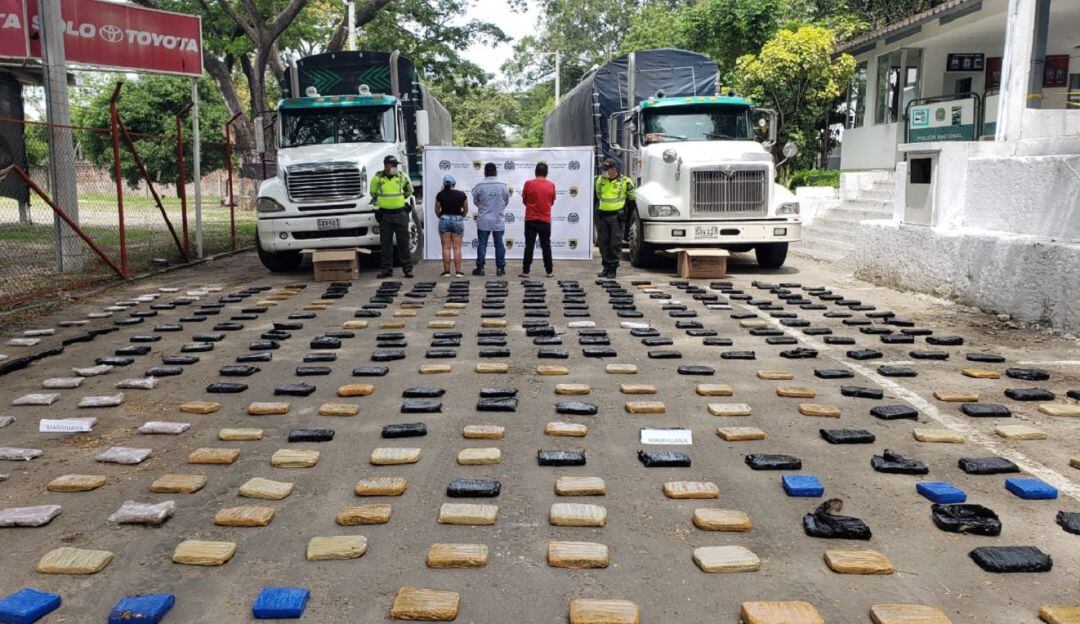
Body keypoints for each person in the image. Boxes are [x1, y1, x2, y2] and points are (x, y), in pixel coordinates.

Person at [370, 155, 414, 279]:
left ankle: (407, 269)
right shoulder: (377, 179)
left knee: (404, 243)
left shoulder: (401, 177)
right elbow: (373, 193)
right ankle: (387, 269)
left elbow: (408, 191)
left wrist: (397, 201)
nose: (395, 167)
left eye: (396, 165)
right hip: (385, 215)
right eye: (392, 165)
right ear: (386, 165)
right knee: (386, 244)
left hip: (400, 214)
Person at [594, 157, 635, 278]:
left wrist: (624, 212)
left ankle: (613, 269)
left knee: (614, 245)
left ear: (614, 169)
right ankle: (605, 268)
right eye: (604, 169)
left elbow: (632, 198)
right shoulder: (600, 180)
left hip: (616, 217)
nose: (604, 172)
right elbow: (598, 195)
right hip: (602, 216)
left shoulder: (625, 182)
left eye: (607, 170)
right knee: (603, 244)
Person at [470, 162, 509, 276]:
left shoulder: (479, 186)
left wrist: (484, 208)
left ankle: (480, 268)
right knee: (499, 244)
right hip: (498, 220)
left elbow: (476, 202)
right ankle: (500, 269)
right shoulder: (503, 186)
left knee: (482, 244)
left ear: (485, 172)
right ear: (496, 172)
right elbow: (505, 202)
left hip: (484, 220)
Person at [519, 161, 555, 278]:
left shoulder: (528, 184)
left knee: (529, 246)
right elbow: (551, 202)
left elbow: (525, 200)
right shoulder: (551, 185)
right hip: (545, 220)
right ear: (547, 173)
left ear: (535, 172)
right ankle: (549, 271)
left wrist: (532, 207)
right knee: (546, 246)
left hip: (530, 219)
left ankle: (526, 271)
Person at [435, 174, 468, 277]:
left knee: (446, 247)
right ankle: (458, 271)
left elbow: (437, 210)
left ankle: (446, 272)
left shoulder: (440, 195)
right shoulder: (461, 195)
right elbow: (465, 209)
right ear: (454, 183)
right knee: (457, 247)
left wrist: (441, 216)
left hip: (444, 219)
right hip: (457, 219)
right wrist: (461, 215)